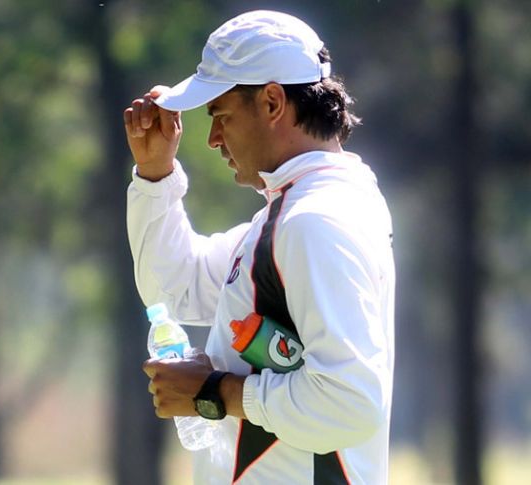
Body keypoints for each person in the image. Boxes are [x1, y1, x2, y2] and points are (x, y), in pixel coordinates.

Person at [124, 10, 395, 485]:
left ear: (272, 102)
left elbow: (351, 404)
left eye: (220, 116)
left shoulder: (315, 222)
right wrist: (155, 174)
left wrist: (214, 391)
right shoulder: (293, 213)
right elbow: (172, 291)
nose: (211, 139)